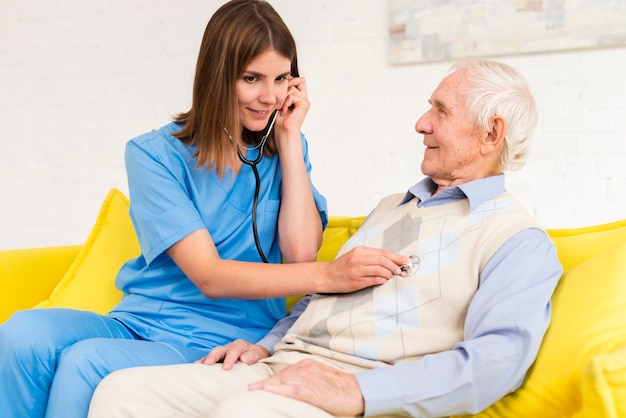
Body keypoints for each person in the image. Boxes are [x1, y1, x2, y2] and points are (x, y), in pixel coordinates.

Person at [88, 58, 564, 418]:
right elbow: (322, 298)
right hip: (282, 365)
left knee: (245, 414)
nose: (421, 123)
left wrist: (357, 392)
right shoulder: (392, 207)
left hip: (358, 388)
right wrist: (266, 344)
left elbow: (498, 359)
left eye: (440, 110)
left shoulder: (516, 238)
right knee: (122, 391)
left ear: (491, 133)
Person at [0, 1, 407, 418]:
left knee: (85, 362)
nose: (269, 96)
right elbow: (208, 275)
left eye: (281, 78)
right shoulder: (154, 154)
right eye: (252, 78)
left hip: (228, 335)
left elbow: (301, 253)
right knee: (20, 334)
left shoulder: (287, 150)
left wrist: (288, 138)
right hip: (140, 322)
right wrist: (330, 274)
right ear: (218, 77)